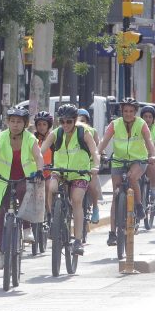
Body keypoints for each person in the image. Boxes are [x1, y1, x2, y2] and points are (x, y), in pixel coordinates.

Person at [0, 106, 44, 269]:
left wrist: (39, 171)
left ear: (25, 124)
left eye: (19, 122)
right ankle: (0, 252)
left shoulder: (30, 138)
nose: (15, 125)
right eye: (12, 121)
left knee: (23, 192)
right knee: (0, 214)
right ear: (7, 122)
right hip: (3, 179)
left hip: (25, 177)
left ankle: (26, 228)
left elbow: (38, 156)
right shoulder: (1, 137)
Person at [40, 104, 100, 256]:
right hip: (60, 171)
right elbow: (41, 151)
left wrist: (96, 166)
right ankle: (53, 218)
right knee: (51, 188)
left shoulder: (84, 133)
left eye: (69, 122)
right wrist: (35, 165)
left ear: (74, 120)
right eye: (62, 122)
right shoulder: (55, 133)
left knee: (77, 200)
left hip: (80, 172)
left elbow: (95, 152)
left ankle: (78, 240)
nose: (65, 125)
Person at [96, 98, 155, 246]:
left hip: (138, 160)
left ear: (135, 112)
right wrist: (97, 153)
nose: (128, 114)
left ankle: (138, 205)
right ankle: (112, 233)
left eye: (131, 111)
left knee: (131, 178)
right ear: (121, 112)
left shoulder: (141, 124)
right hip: (119, 160)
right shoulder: (114, 124)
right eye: (125, 111)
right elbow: (104, 140)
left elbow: (148, 141)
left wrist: (152, 155)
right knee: (116, 194)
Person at [77, 108, 102, 224]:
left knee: (92, 185)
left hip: (90, 165)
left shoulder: (92, 131)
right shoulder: (70, 132)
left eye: (83, 120)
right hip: (76, 165)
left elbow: (98, 146)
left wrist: (103, 156)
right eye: (77, 120)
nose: (80, 122)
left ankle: (95, 208)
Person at [34, 111, 54, 212]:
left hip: (50, 171)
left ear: (48, 126)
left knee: (47, 187)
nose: (41, 127)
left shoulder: (53, 138)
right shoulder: (32, 138)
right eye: (39, 124)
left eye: (44, 124)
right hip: (36, 171)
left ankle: (50, 213)